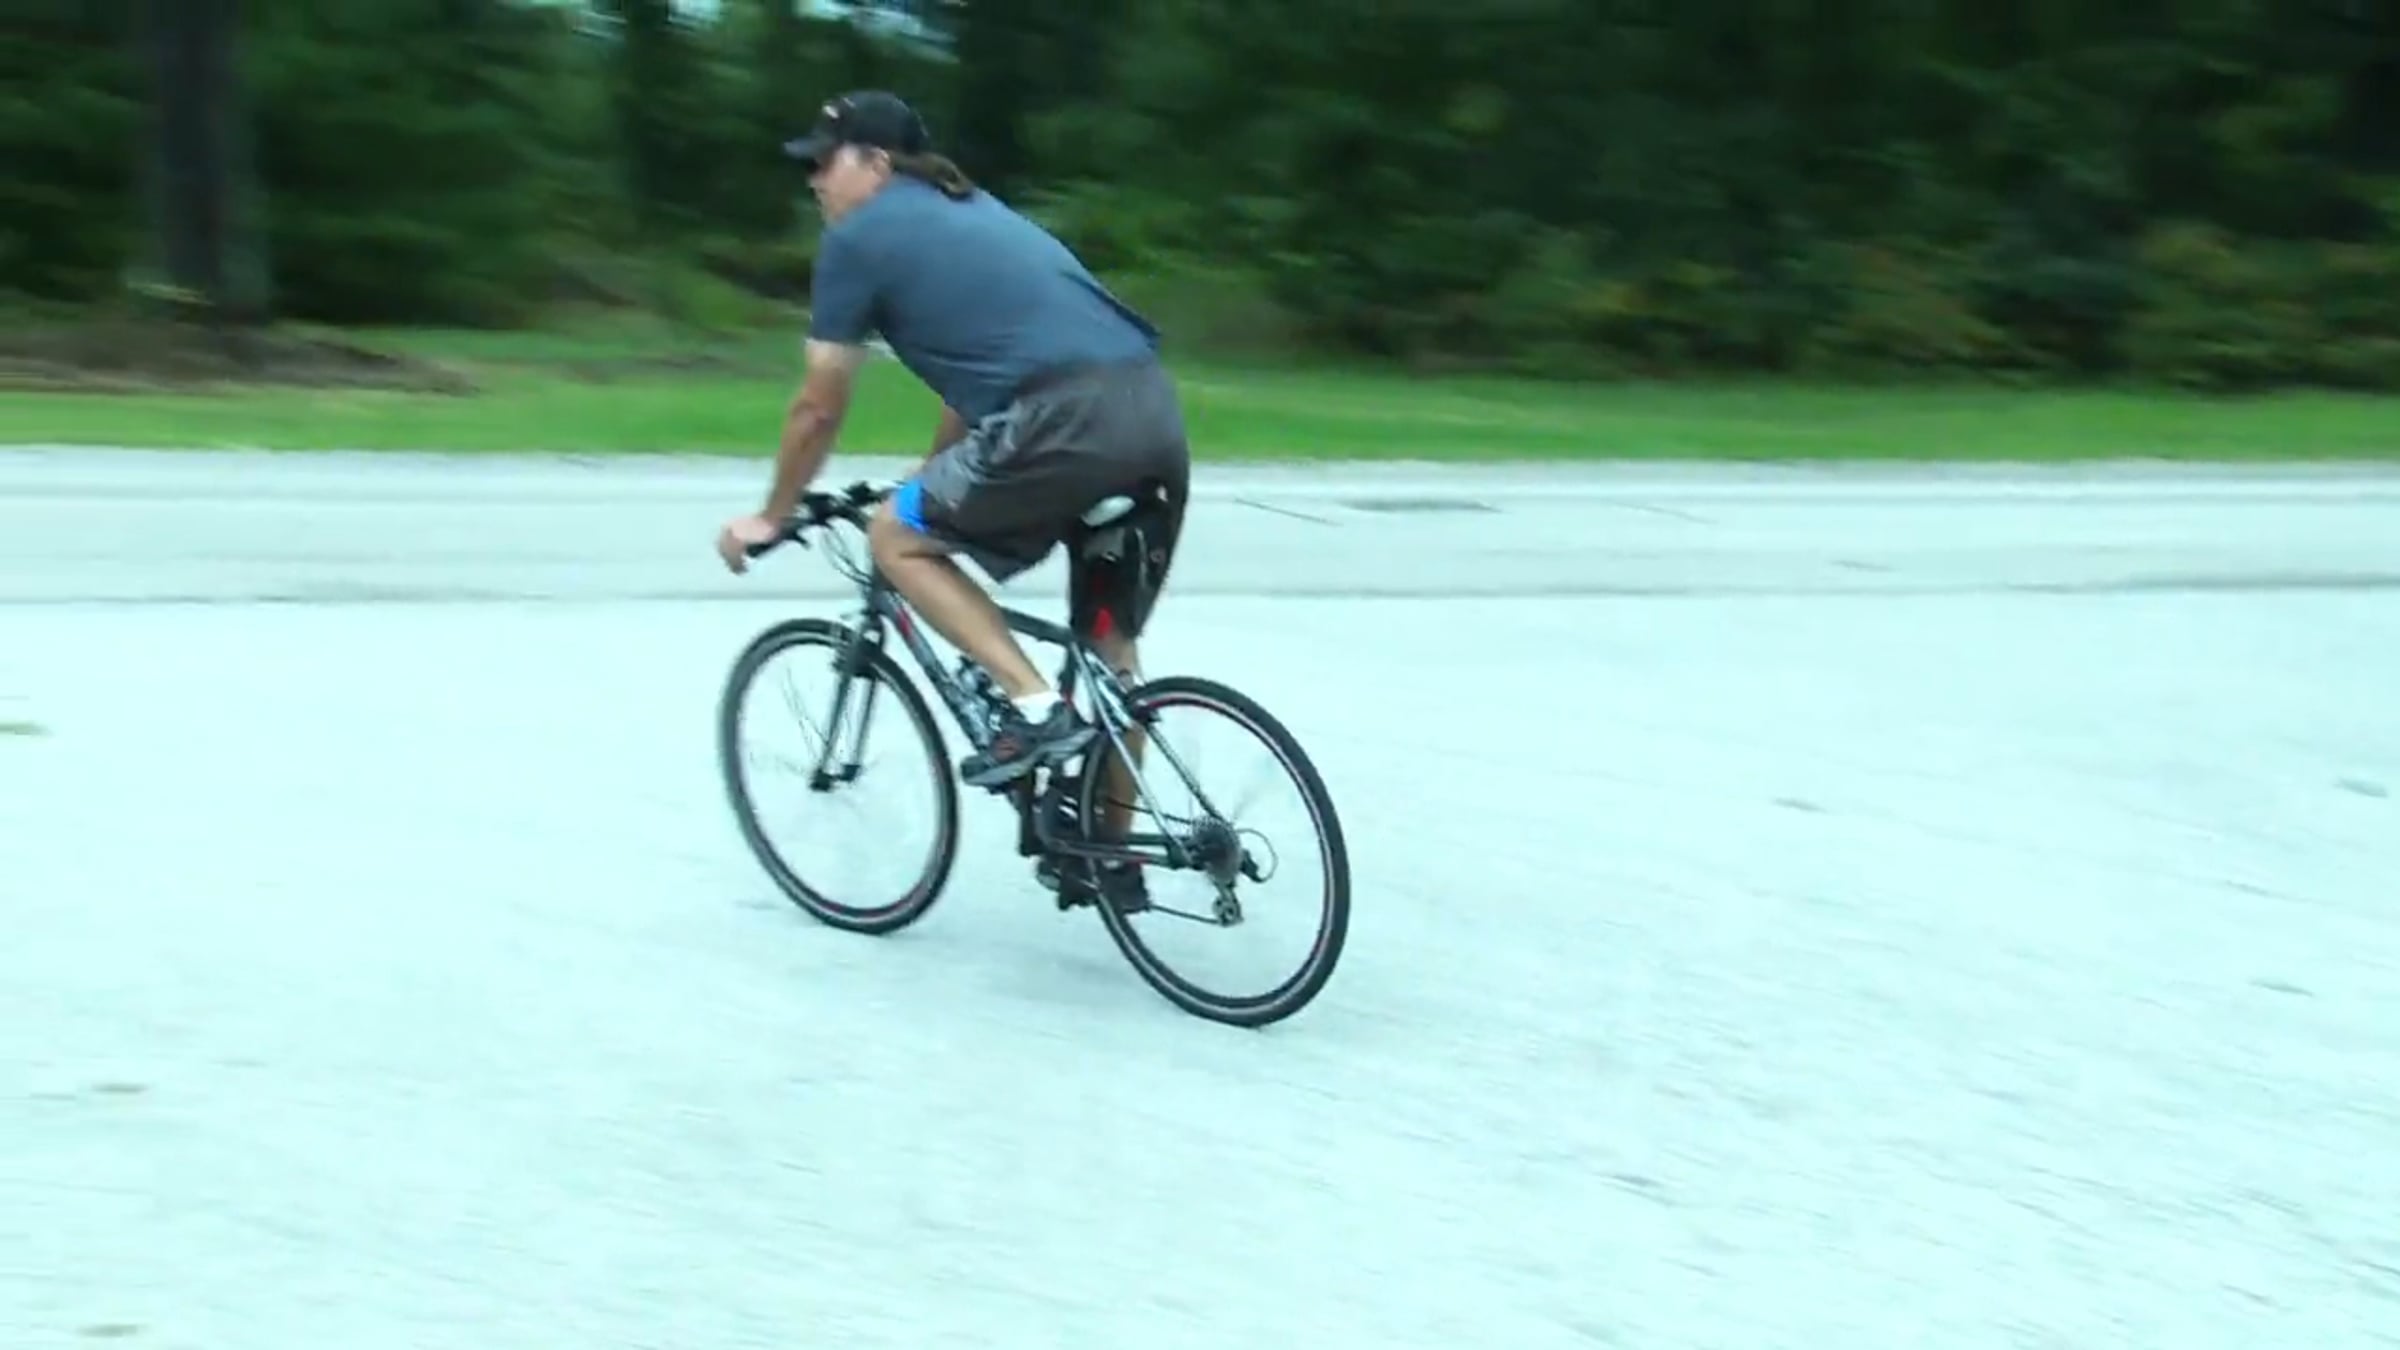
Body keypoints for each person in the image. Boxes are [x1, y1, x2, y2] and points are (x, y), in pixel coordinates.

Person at [713, 90, 1188, 912]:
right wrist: (932, 479)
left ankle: (1032, 706)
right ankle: (1111, 856)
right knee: (1111, 650)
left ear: (875, 163)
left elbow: (819, 404)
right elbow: (975, 386)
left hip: (1061, 421)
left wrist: (773, 514)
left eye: (824, 162)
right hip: (1150, 417)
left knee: (895, 537)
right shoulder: (979, 214)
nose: (814, 181)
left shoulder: (859, 239)